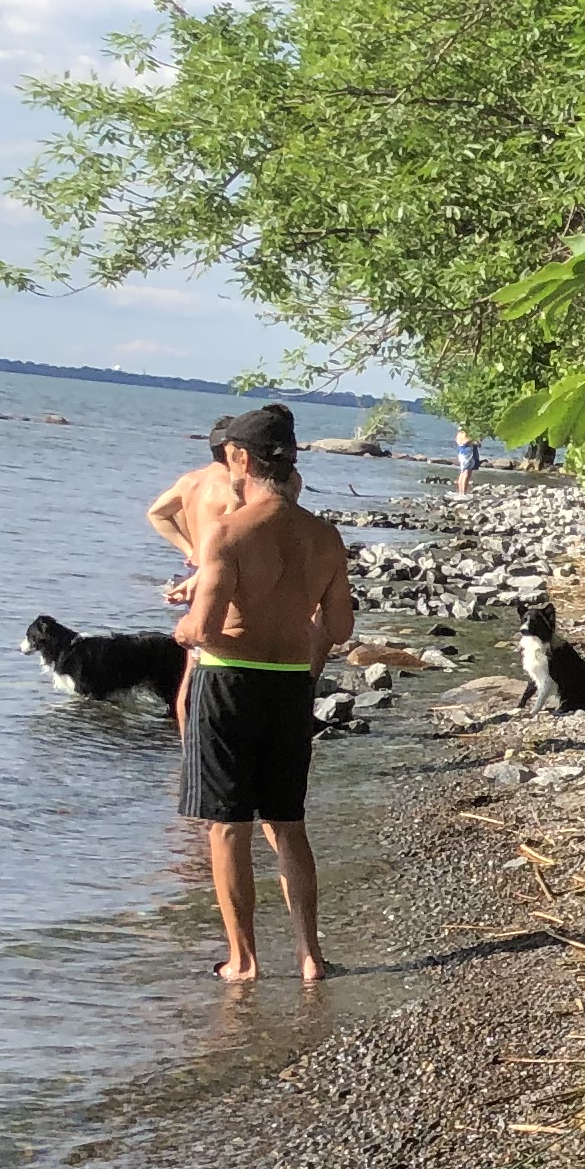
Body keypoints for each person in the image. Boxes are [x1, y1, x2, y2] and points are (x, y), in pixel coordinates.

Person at [173, 405, 353, 982]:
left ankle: (243, 960)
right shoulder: (325, 537)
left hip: (227, 682)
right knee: (289, 822)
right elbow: (341, 628)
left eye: (230, 458)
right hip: (289, 688)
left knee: (227, 826)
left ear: (242, 459)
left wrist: (181, 626)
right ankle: (310, 955)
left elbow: (202, 629)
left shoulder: (228, 532)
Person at [140, 418, 248, 600]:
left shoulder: (189, 481)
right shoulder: (233, 489)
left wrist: (189, 550)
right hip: (218, 571)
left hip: (195, 566)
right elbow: (227, 537)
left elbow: (156, 514)